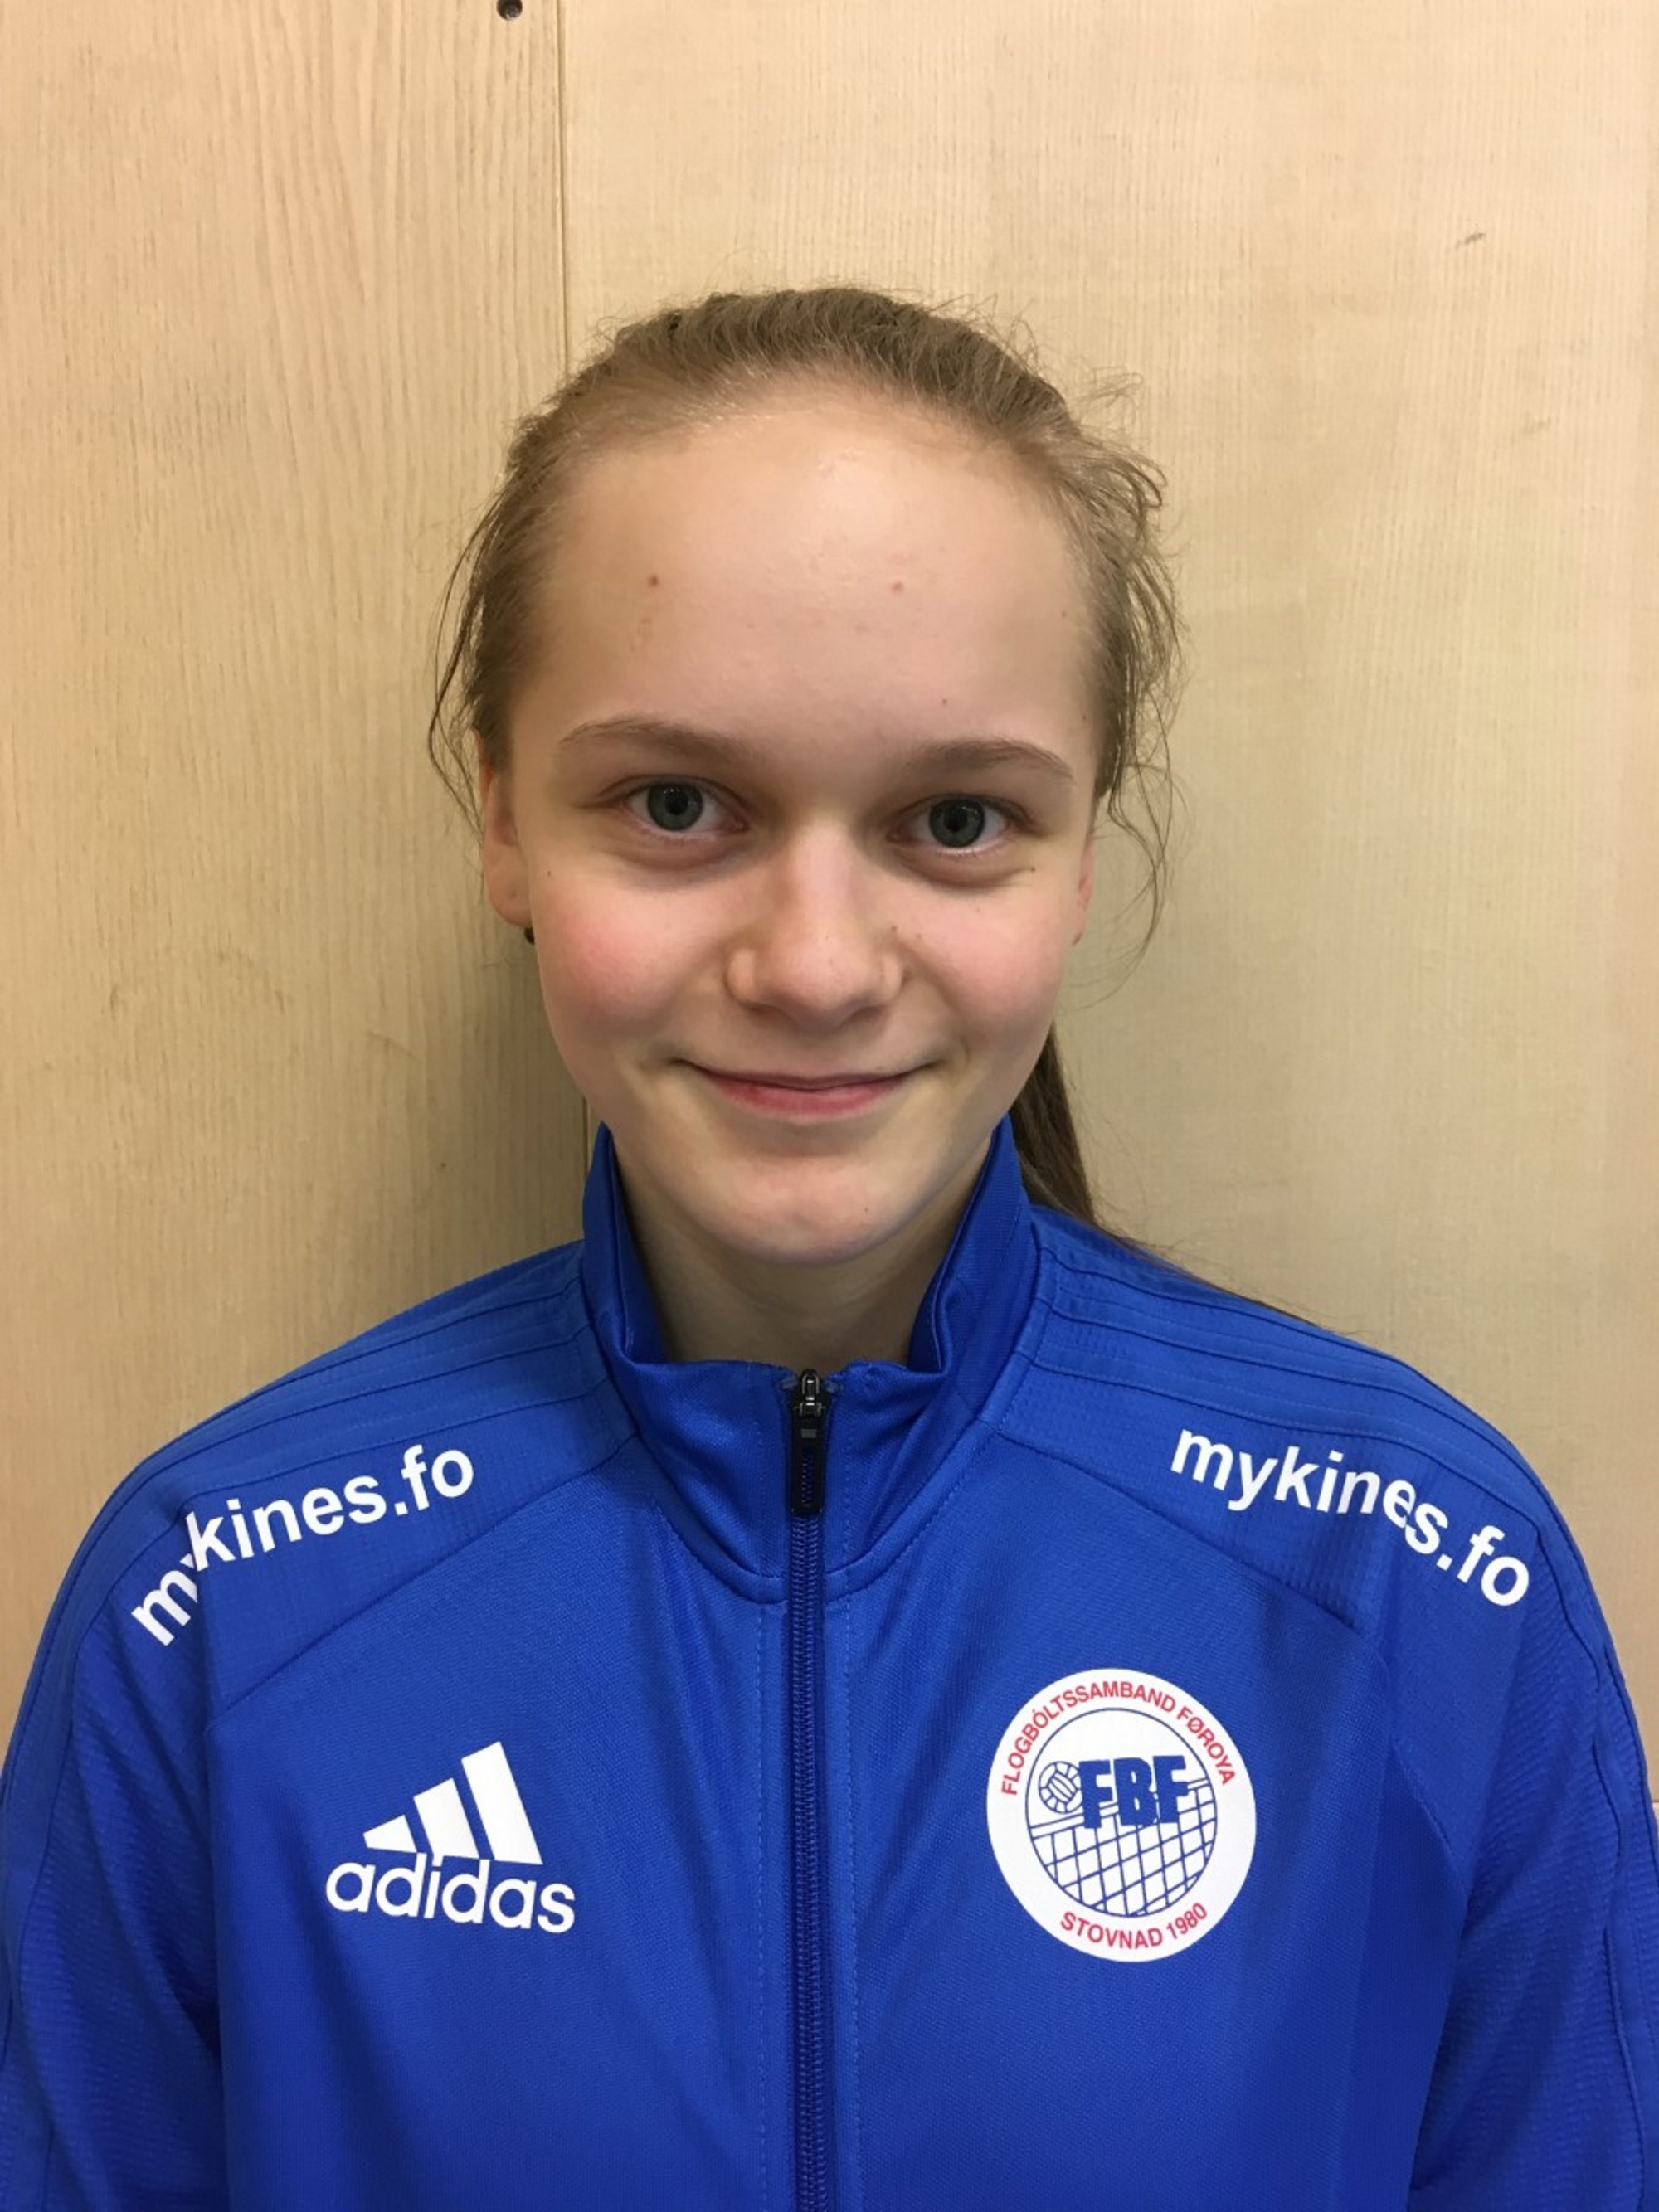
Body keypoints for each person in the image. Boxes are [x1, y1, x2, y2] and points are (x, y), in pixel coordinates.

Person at [2, 283, 1655, 2212]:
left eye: (953, 816)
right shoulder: (217, 1604)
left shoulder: (1413, 1574)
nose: (810, 964)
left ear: (1079, 851)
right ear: (504, 822)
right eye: (676, 803)